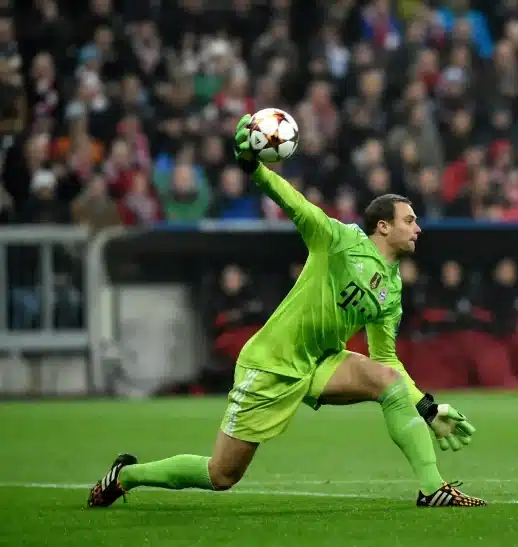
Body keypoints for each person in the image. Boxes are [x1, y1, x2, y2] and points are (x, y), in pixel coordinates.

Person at [87, 114, 486, 509]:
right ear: (383, 226)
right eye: (410, 220)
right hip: (272, 365)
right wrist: (255, 169)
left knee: (389, 382)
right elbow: (295, 203)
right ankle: (126, 476)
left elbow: (386, 358)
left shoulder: (392, 289)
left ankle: (432, 488)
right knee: (222, 474)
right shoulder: (340, 241)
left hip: (321, 361)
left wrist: (427, 408)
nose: (418, 228)